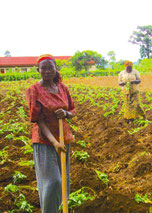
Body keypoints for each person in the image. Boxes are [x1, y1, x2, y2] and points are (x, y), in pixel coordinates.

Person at [26, 54, 75, 212]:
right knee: (52, 181)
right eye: (44, 68)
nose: (47, 71)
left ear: (55, 69)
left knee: (63, 181)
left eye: (50, 68)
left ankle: (60, 208)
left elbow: (72, 110)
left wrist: (66, 114)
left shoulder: (62, 88)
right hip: (45, 140)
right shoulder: (34, 90)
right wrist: (54, 142)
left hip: (63, 137)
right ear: (38, 70)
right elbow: (39, 121)